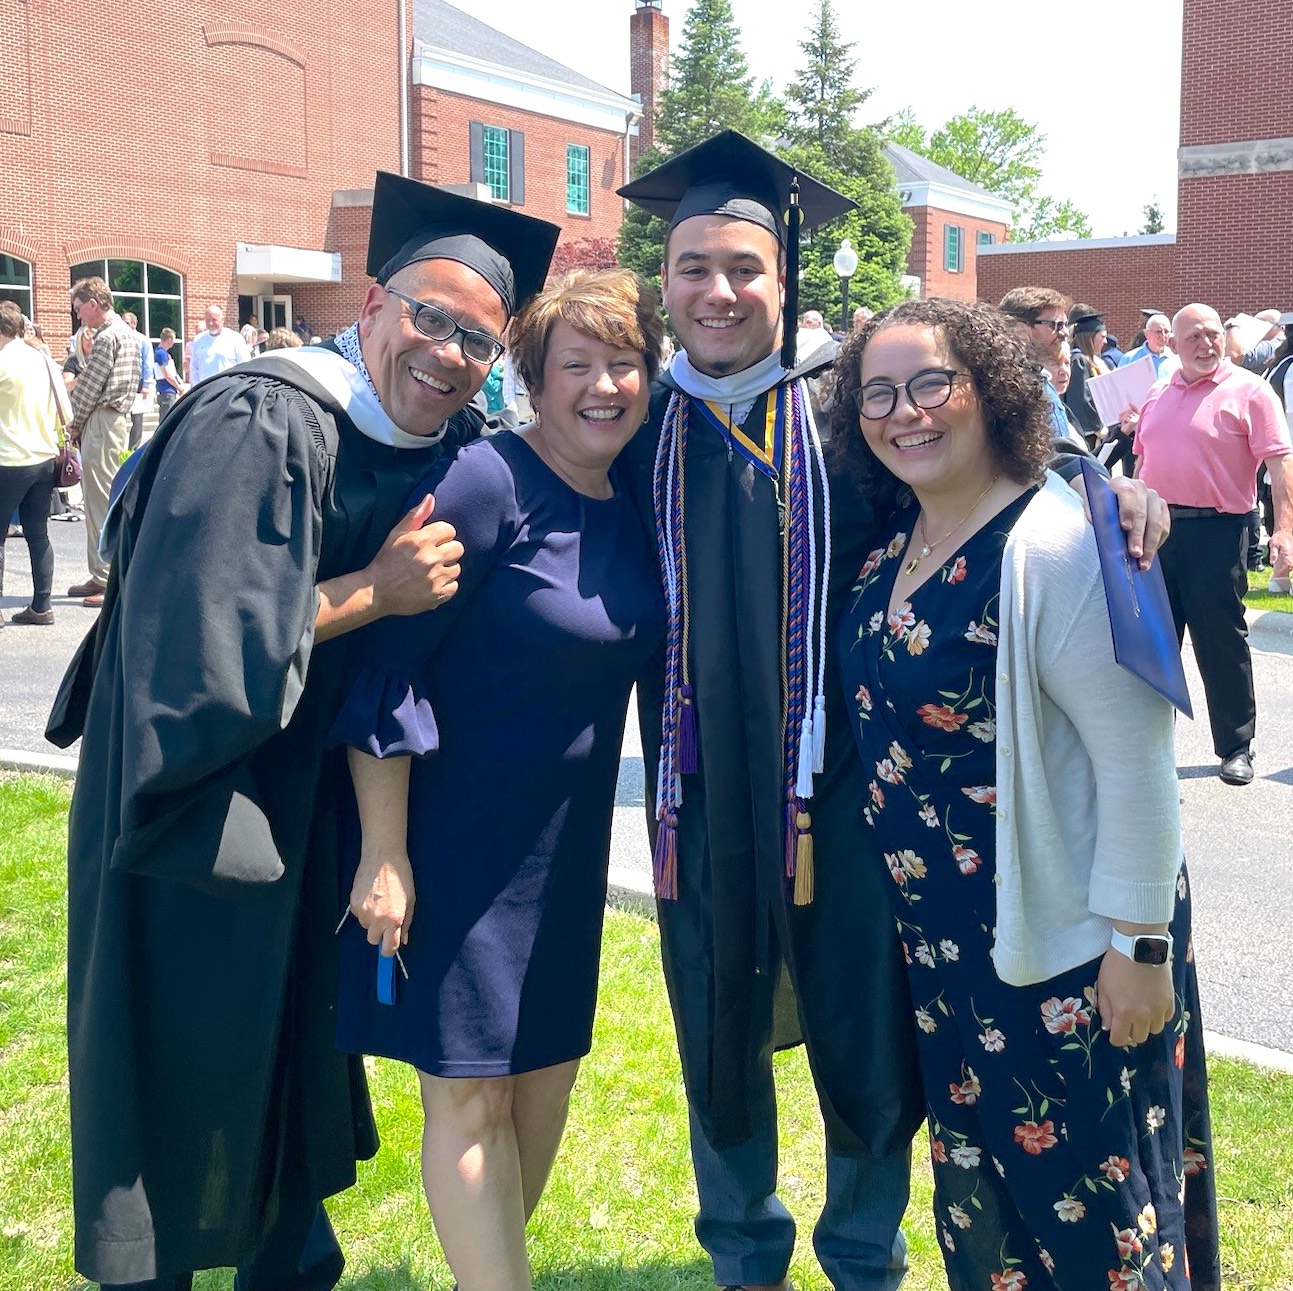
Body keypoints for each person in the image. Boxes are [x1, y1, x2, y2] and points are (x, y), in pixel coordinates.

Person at [616, 133, 1171, 1291]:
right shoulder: (635, 428)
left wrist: (1107, 483)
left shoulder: (845, 404)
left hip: (852, 805)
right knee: (717, 1037)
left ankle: (863, 1259)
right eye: (691, 268)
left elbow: (998, 469)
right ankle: (744, 1260)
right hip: (698, 795)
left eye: (744, 267)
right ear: (661, 282)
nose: (718, 291)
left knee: (867, 1038)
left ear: (785, 278)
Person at [46, 172, 560, 1291]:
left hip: (309, 804)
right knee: (185, 1065)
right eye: (428, 316)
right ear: (369, 304)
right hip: (200, 802)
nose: (447, 352)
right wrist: (374, 589)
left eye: (478, 338)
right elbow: (193, 645)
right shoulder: (262, 417)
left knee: (287, 1055)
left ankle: (287, 1258)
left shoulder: (441, 435)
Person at [831, 295, 1219, 1291]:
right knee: (989, 1222)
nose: (903, 410)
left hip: (1069, 954)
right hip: (954, 955)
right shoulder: (893, 543)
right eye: (877, 392)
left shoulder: (1057, 545)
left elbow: (1137, 758)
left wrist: (1140, 946)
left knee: (1097, 1228)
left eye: (930, 383)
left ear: (992, 387)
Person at [331, 269, 665, 1290]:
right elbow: (390, 665)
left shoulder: (637, 491)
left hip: (562, 859)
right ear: (531, 376)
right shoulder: (489, 480)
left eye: (626, 362)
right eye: (578, 364)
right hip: (453, 841)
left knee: (540, 1092)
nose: (605, 385)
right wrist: (384, 852)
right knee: (468, 1100)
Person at [1123, 303, 1293, 785]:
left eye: (1213, 334)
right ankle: (1149, 747)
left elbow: (1280, 466)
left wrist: (1285, 529)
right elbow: (1141, 466)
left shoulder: (1250, 391)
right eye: (1193, 336)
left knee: (1220, 642)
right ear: (1173, 344)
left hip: (1219, 532)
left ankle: (1236, 746)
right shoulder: (1158, 391)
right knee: (1154, 644)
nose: (1206, 343)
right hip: (1156, 533)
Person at [66, 277, 143, 607]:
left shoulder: (107, 337)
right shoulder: (128, 334)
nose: (78, 316)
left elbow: (87, 390)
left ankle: (106, 577)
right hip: (116, 420)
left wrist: (72, 426)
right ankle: (101, 573)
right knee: (103, 498)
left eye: (79, 309)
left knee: (99, 502)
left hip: (102, 420)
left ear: (93, 305)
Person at [0, 302, 71, 626]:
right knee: (38, 533)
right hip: (43, 456)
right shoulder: (43, 359)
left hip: (9, 456)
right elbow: (66, 412)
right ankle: (42, 606)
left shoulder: (3, 361)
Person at [188, 304, 251, 382]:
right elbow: (194, 368)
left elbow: (245, 366)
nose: (211, 323)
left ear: (222, 320)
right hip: (205, 390)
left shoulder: (235, 338)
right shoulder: (198, 340)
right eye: (208, 320)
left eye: (214, 320)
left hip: (228, 389)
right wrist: (197, 388)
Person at [121, 310, 155, 451]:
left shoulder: (143, 340)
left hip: (138, 382)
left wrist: (146, 384)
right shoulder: (119, 338)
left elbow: (148, 363)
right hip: (122, 381)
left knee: (137, 418)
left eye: (127, 323)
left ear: (134, 324)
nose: (123, 325)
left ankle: (133, 448)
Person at [153, 327, 186, 420]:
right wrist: (178, 386)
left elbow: (173, 372)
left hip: (170, 391)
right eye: (173, 339)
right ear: (169, 339)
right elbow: (167, 374)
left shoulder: (165, 354)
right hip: (166, 391)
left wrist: (180, 383)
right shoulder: (160, 353)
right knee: (166, 418)